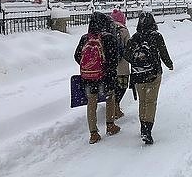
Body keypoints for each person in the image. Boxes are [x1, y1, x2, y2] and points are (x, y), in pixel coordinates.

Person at [124, 12, 173, 145]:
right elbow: (163, 53)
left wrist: (136, 61)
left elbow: (126, 54)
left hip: (138, 74)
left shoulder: (134, 37)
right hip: (153, 74)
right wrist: (169, 64)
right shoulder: (156, 36)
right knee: (151, 102)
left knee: (142, 101)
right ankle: (147, 130)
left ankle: (142, 127)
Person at [74, 11, 121, 144]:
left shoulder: (85, 38)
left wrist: (89, 67)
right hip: (106, 77)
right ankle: (110, 125)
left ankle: (93, 133)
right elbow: (114, 59)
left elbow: (77, 56)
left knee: (91, 103)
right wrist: (105, 69)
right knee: (110, 98)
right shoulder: (108, 37)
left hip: (88, 78)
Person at [111, 8, 130, 119]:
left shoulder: (107, 29)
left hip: (110, 66)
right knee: (122, 87)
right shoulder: (124, 30)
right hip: (122, 65)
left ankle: (112, 106)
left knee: (112, 87)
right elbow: (129, 47)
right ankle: (116, 106)